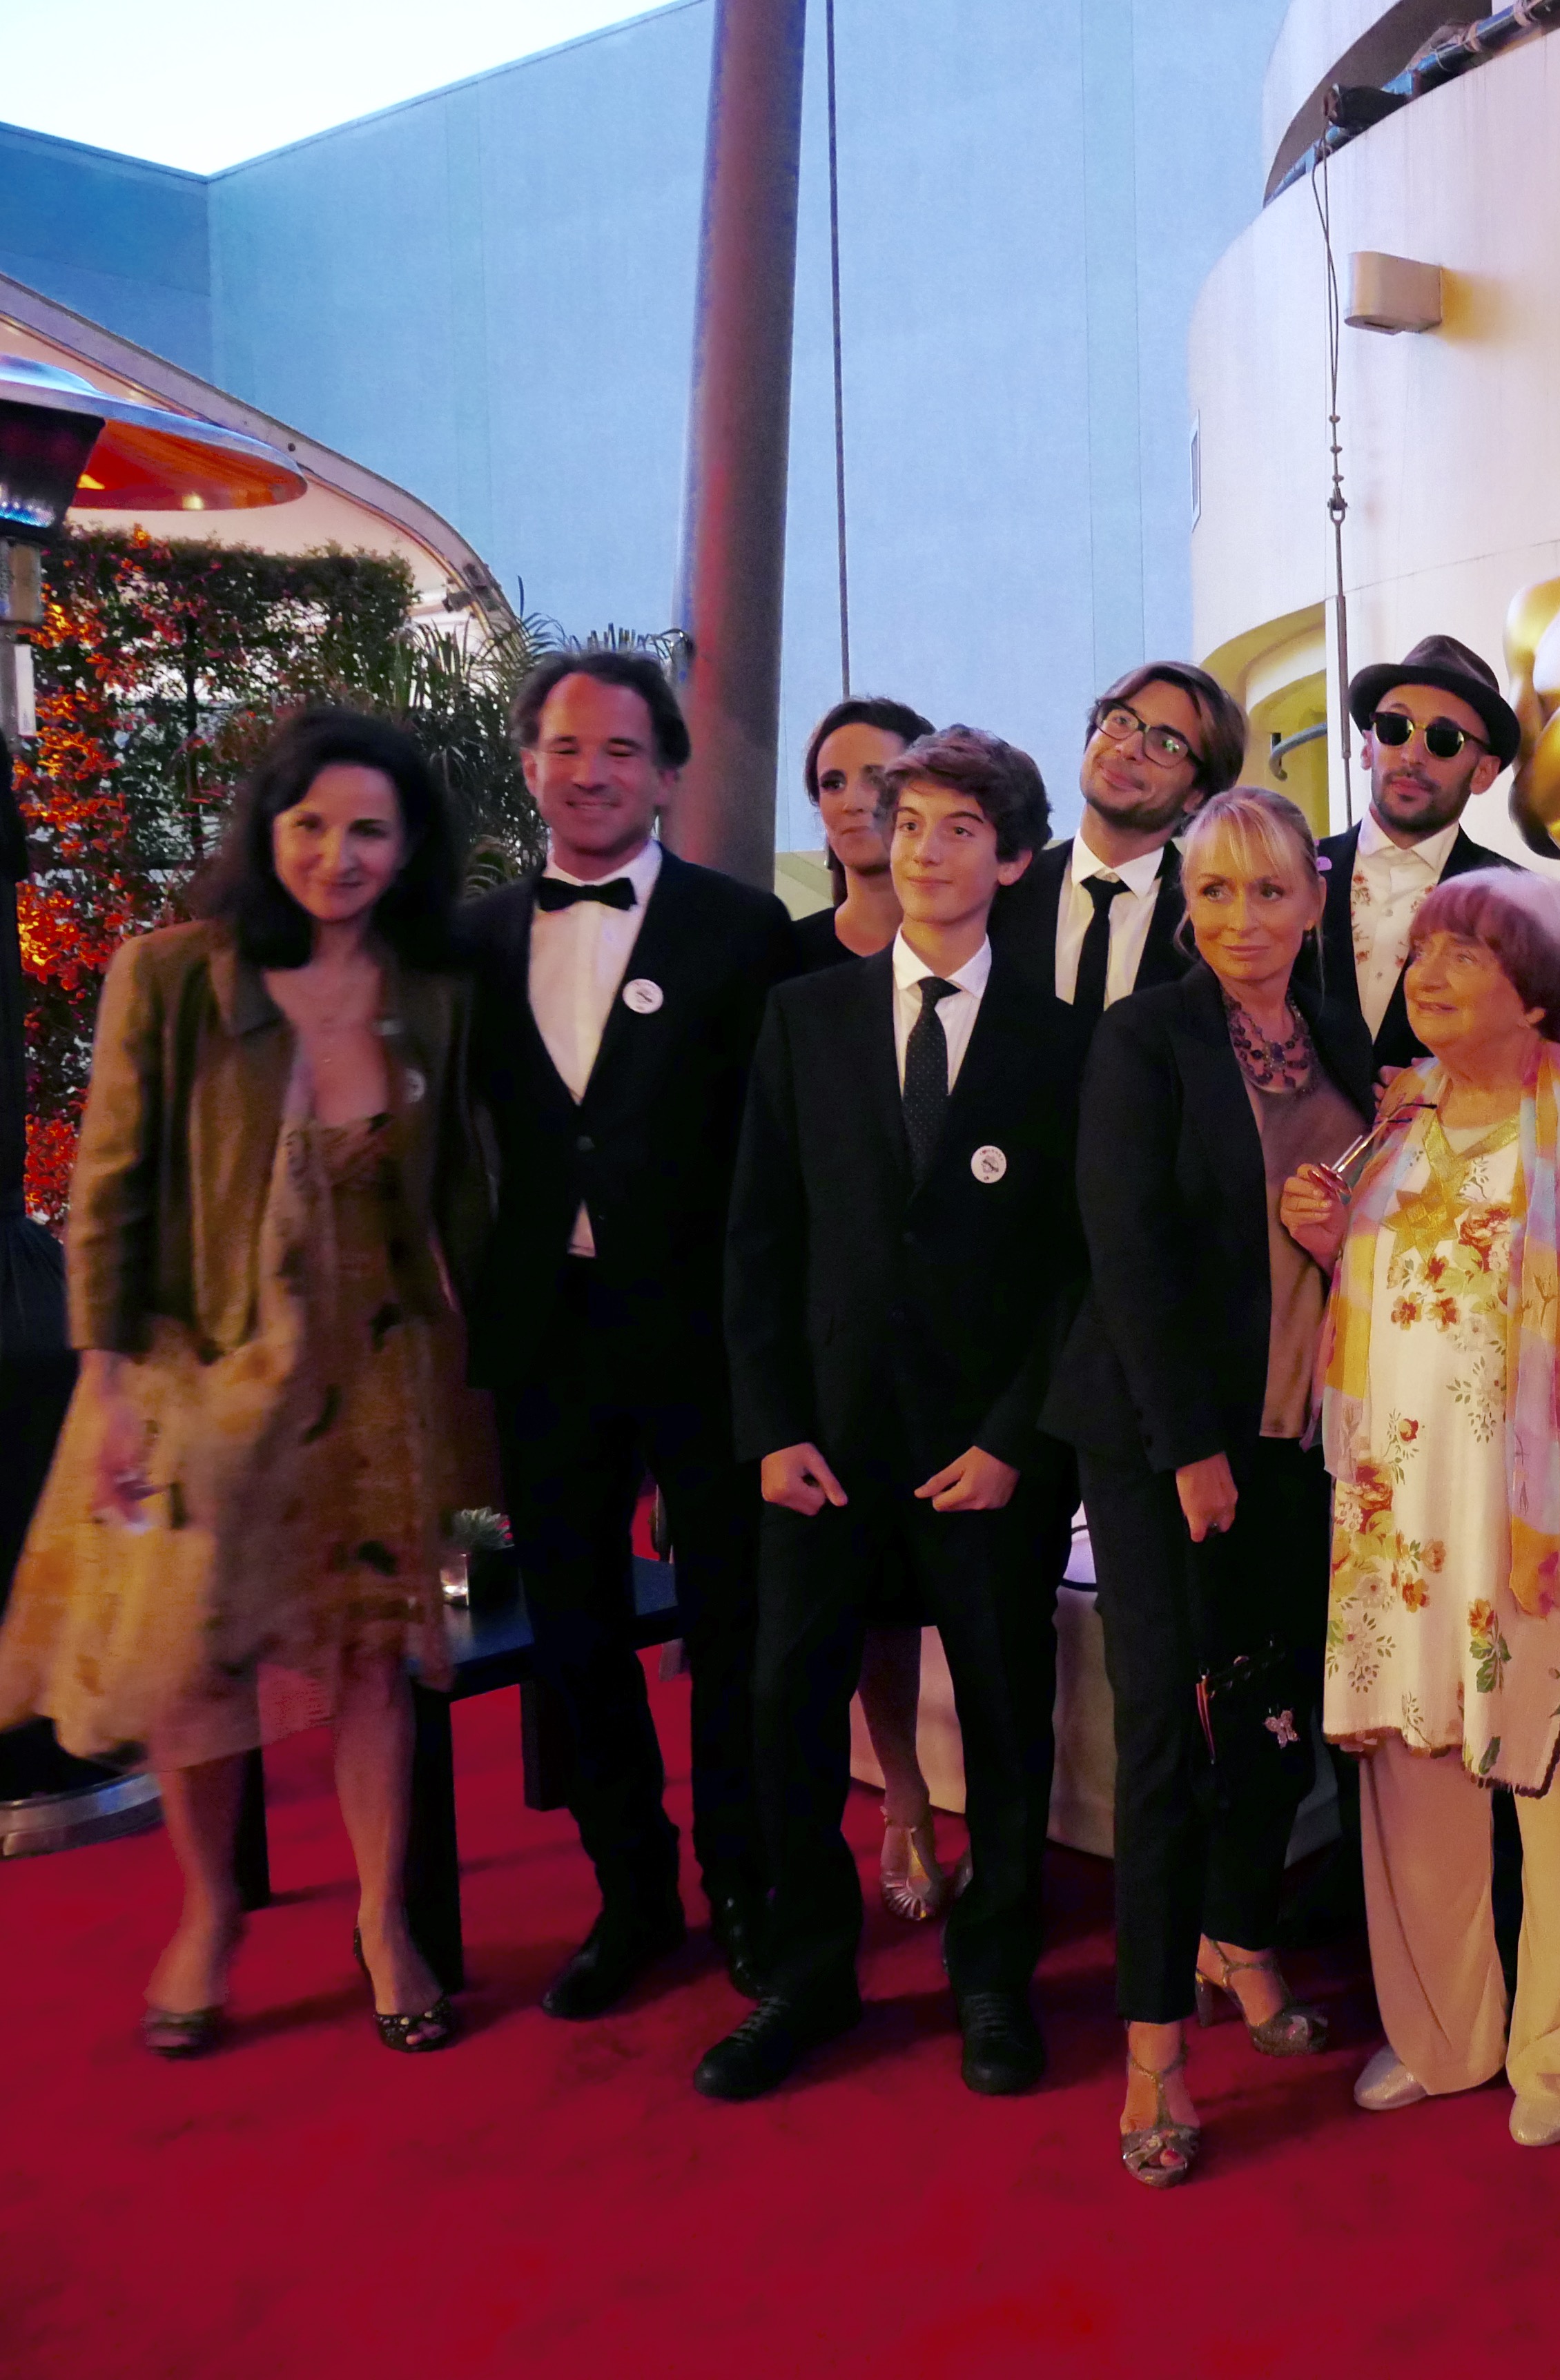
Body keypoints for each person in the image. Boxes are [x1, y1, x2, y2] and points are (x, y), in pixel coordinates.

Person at [1, 708, 491, 2055]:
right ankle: (210, 1912)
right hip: (198, 1370)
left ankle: (386, 1915)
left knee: (374, 1649)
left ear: (407, 848)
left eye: (369, 829)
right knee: (197, 1659)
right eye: (311, 823)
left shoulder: (433, 990)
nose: (337, 853)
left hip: (375, 1369)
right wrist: (104, 1390)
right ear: (267, 829)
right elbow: (105, 1195)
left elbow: (456, 1191)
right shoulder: (174, 974)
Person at [1280, 868, 1560, 2148]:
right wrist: (1326, 1235)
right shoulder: (1394, 1122)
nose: (1431, 971)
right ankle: (1441, 2031)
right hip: (1401, 1515)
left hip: (1557, 1520)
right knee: (1412, 1770)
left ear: (1537, 985)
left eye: (1467, 951)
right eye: (1424, 948)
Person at [708, 727, 1089, 2103]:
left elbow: (1076, 1268)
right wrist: (767, 1426)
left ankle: (994, 1978)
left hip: (988, 1454)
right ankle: (805, 1976)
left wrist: (1017, 1439)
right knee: (784, 1714)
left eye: (956, 829)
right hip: (821, 1446)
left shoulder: (1063, 1041)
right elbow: (754, 1239)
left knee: (1005, 1721)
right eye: (906, 820)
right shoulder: (805, 1015)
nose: (923, 848)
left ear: (1015, 858)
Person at [1044, 787, 1371, 2186]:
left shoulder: (1344, 1036)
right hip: (1156, 1429)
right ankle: (1156, 2055)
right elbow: (1125, 1256)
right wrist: (1188, 1450)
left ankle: (1241, 1931)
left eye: (1272, 890)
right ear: (1193, 904)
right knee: (1169, 1741)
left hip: (1303, 1430)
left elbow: (1383, 1217)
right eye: (1219, 892)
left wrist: (1353, 1224)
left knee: (1280, 1709)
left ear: (1314, 899)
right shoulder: (1145, 1036)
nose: (1245, 919)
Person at [464, 652, 797, 2018]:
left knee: (731, 1623)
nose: (588, 772)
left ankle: (747, 1887)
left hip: (707, 1330)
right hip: (547, 1331)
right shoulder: (473, 939)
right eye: (563, 747)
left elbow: (778, 1157)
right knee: (578, 1627)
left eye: (617, 750)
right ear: (530, 764)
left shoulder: (744, 926)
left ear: (665, 773)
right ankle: (628, 1889)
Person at [788, 693, 962, 1924]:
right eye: (836, 781)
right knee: (869, 1612)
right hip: (835, 1355)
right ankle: (901, 1794)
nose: (861, 803)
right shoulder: (786, 968)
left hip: (967, 1366)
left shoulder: (994, 950)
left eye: (883, 782)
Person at [988, 661, 1246, 1013]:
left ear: (1197, 794)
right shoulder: (1001, 891)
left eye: (1168, 745)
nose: (1128, 748)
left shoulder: (1215, 918)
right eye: (1121, 720)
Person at [1317, 634, 1518, 1072]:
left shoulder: (1517, 903)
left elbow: (1536, 1053)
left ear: (1483, 773)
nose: (1411, 755)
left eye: (1444, 740)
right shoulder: (1288, 874)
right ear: (1369, 745)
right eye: (1395, 728)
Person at [791, 694, 934, 970]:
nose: (852, 803)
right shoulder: (784, 955)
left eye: (877, 779)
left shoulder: (985, 948)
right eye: (833, 784)